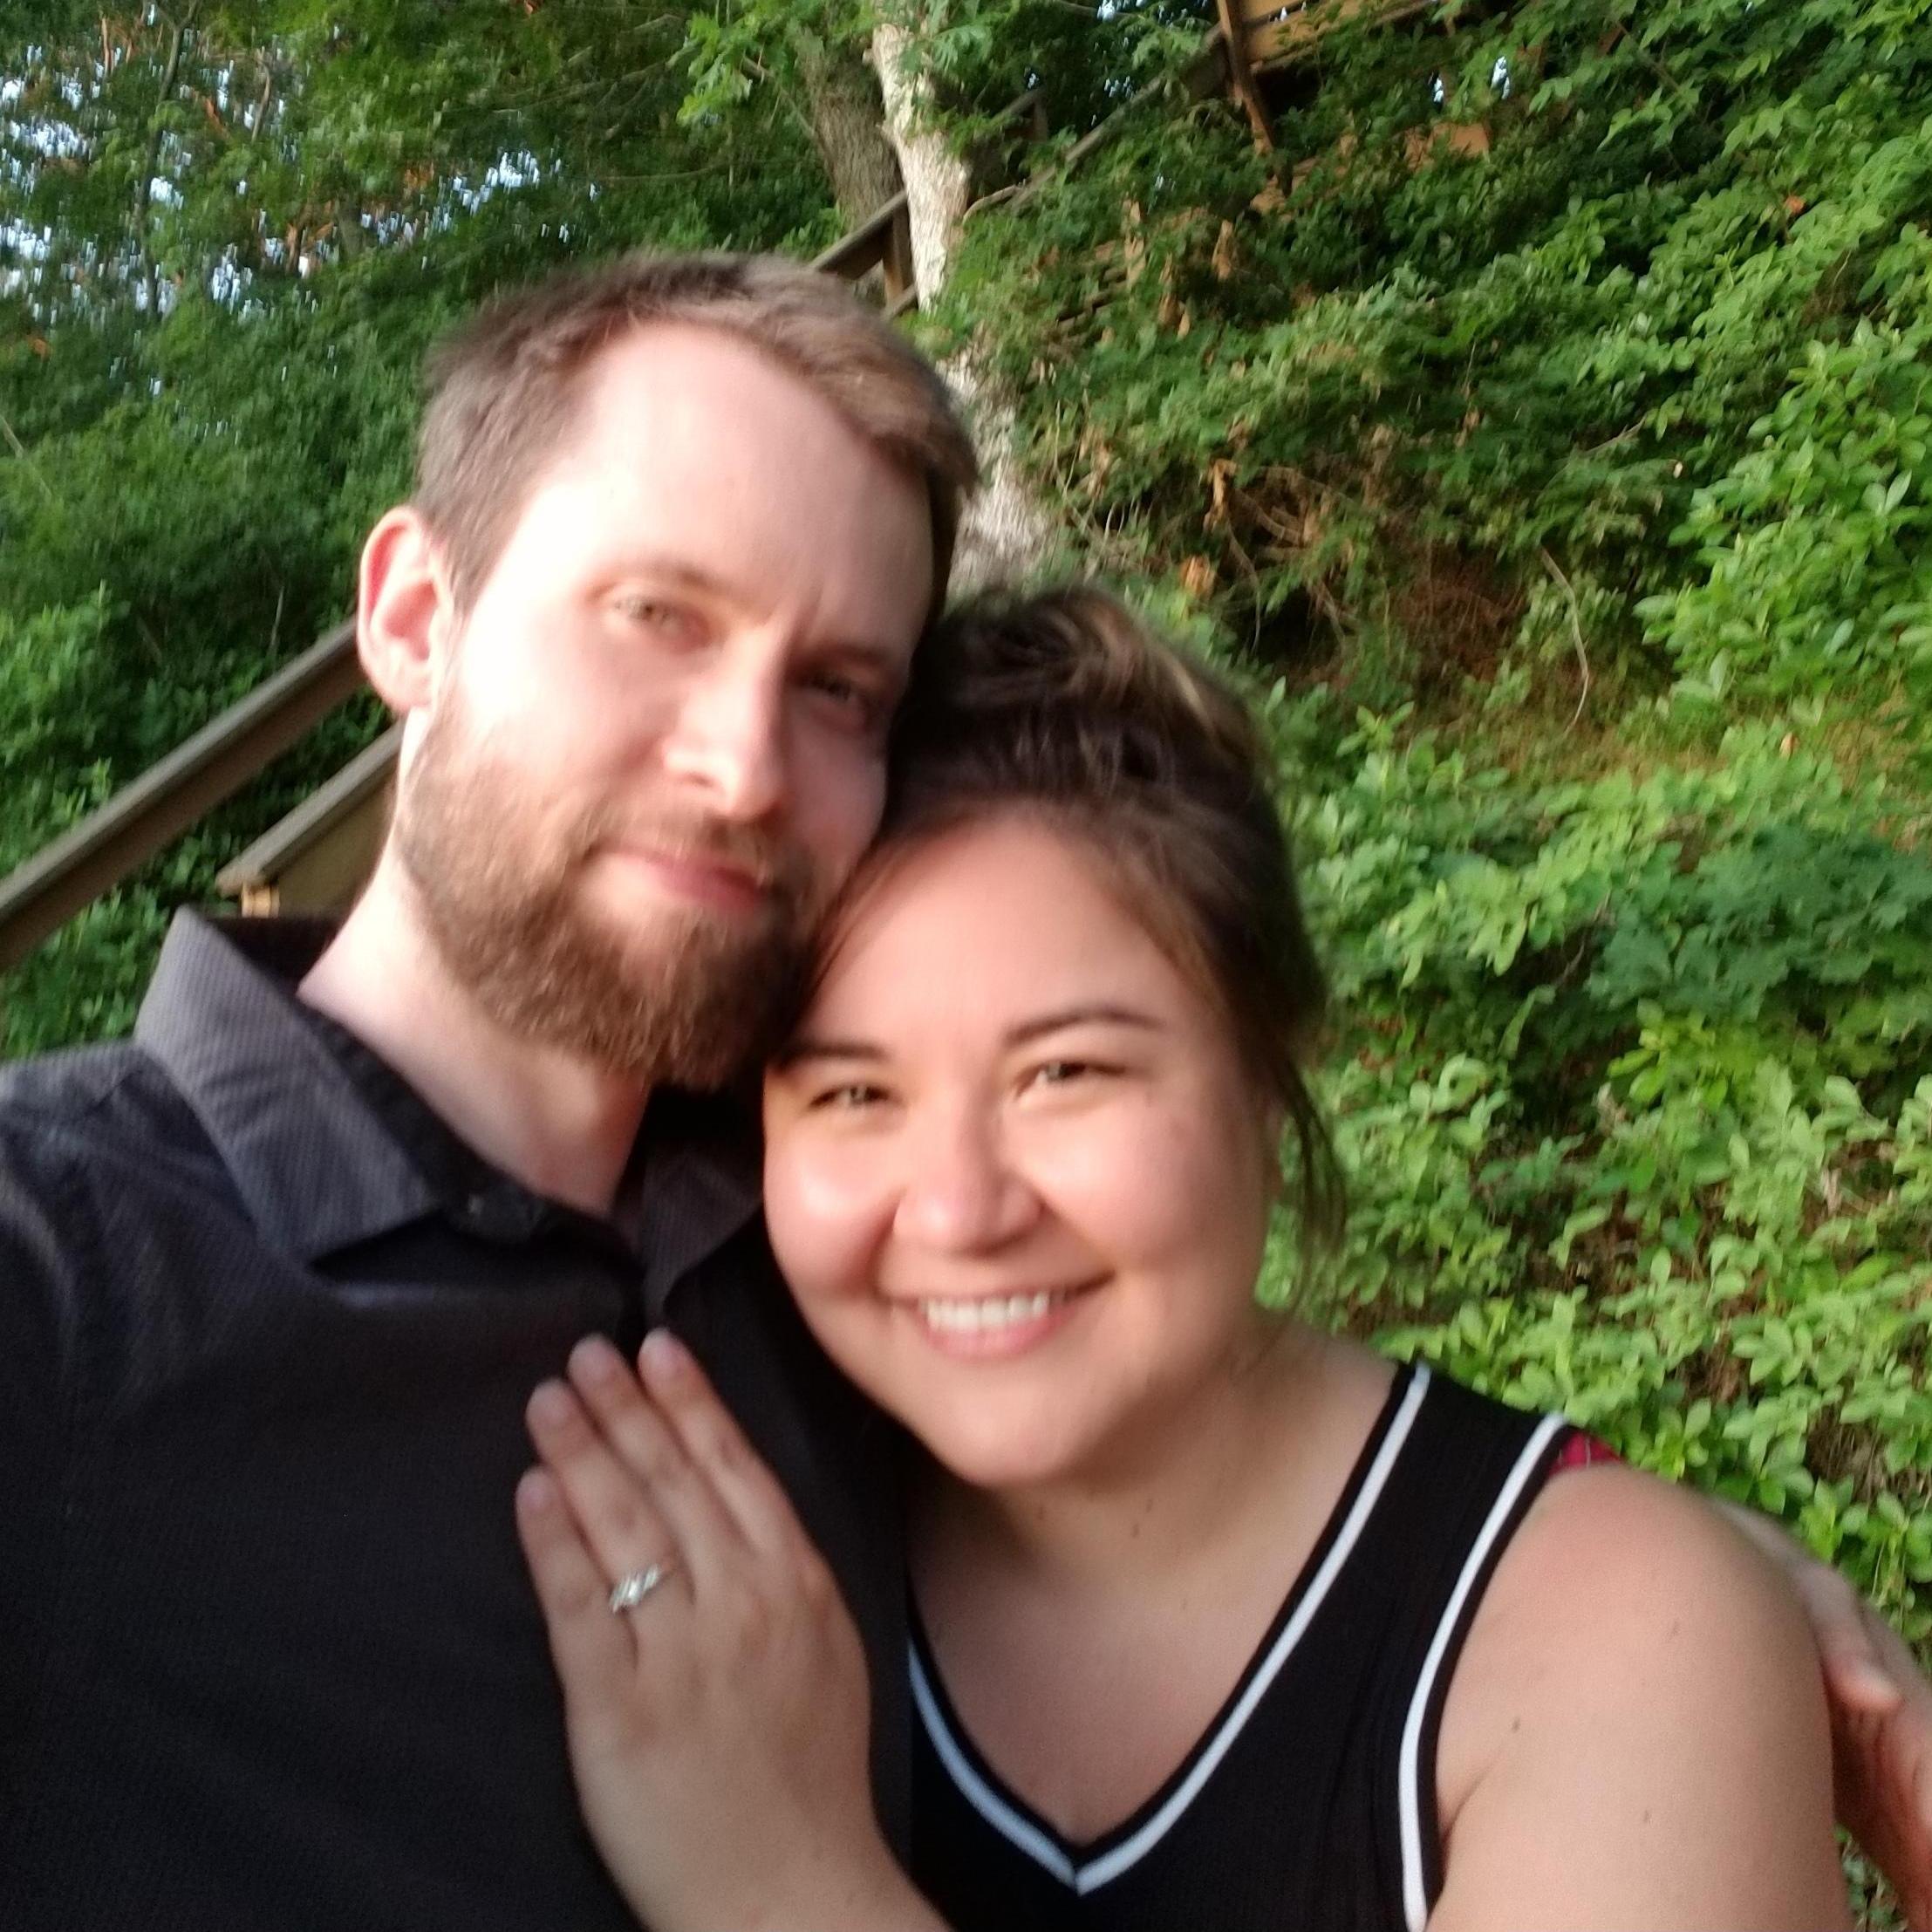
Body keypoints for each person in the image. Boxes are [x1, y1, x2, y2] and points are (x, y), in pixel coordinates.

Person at [0, 253, 1926, 1929]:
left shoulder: (802, 1255)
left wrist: (1645, 1600)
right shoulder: (69, 1285)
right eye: (655, 613)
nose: (745, 762)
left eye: (837, 684)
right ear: (414, 616)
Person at [516, 587, 1923, 1930]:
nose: (955, 1211)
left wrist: (779, 1893)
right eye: (852, 1094)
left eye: (1067, 1072)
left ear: (1266, 1072)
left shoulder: (1603, 1645)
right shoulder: (733, 1500)